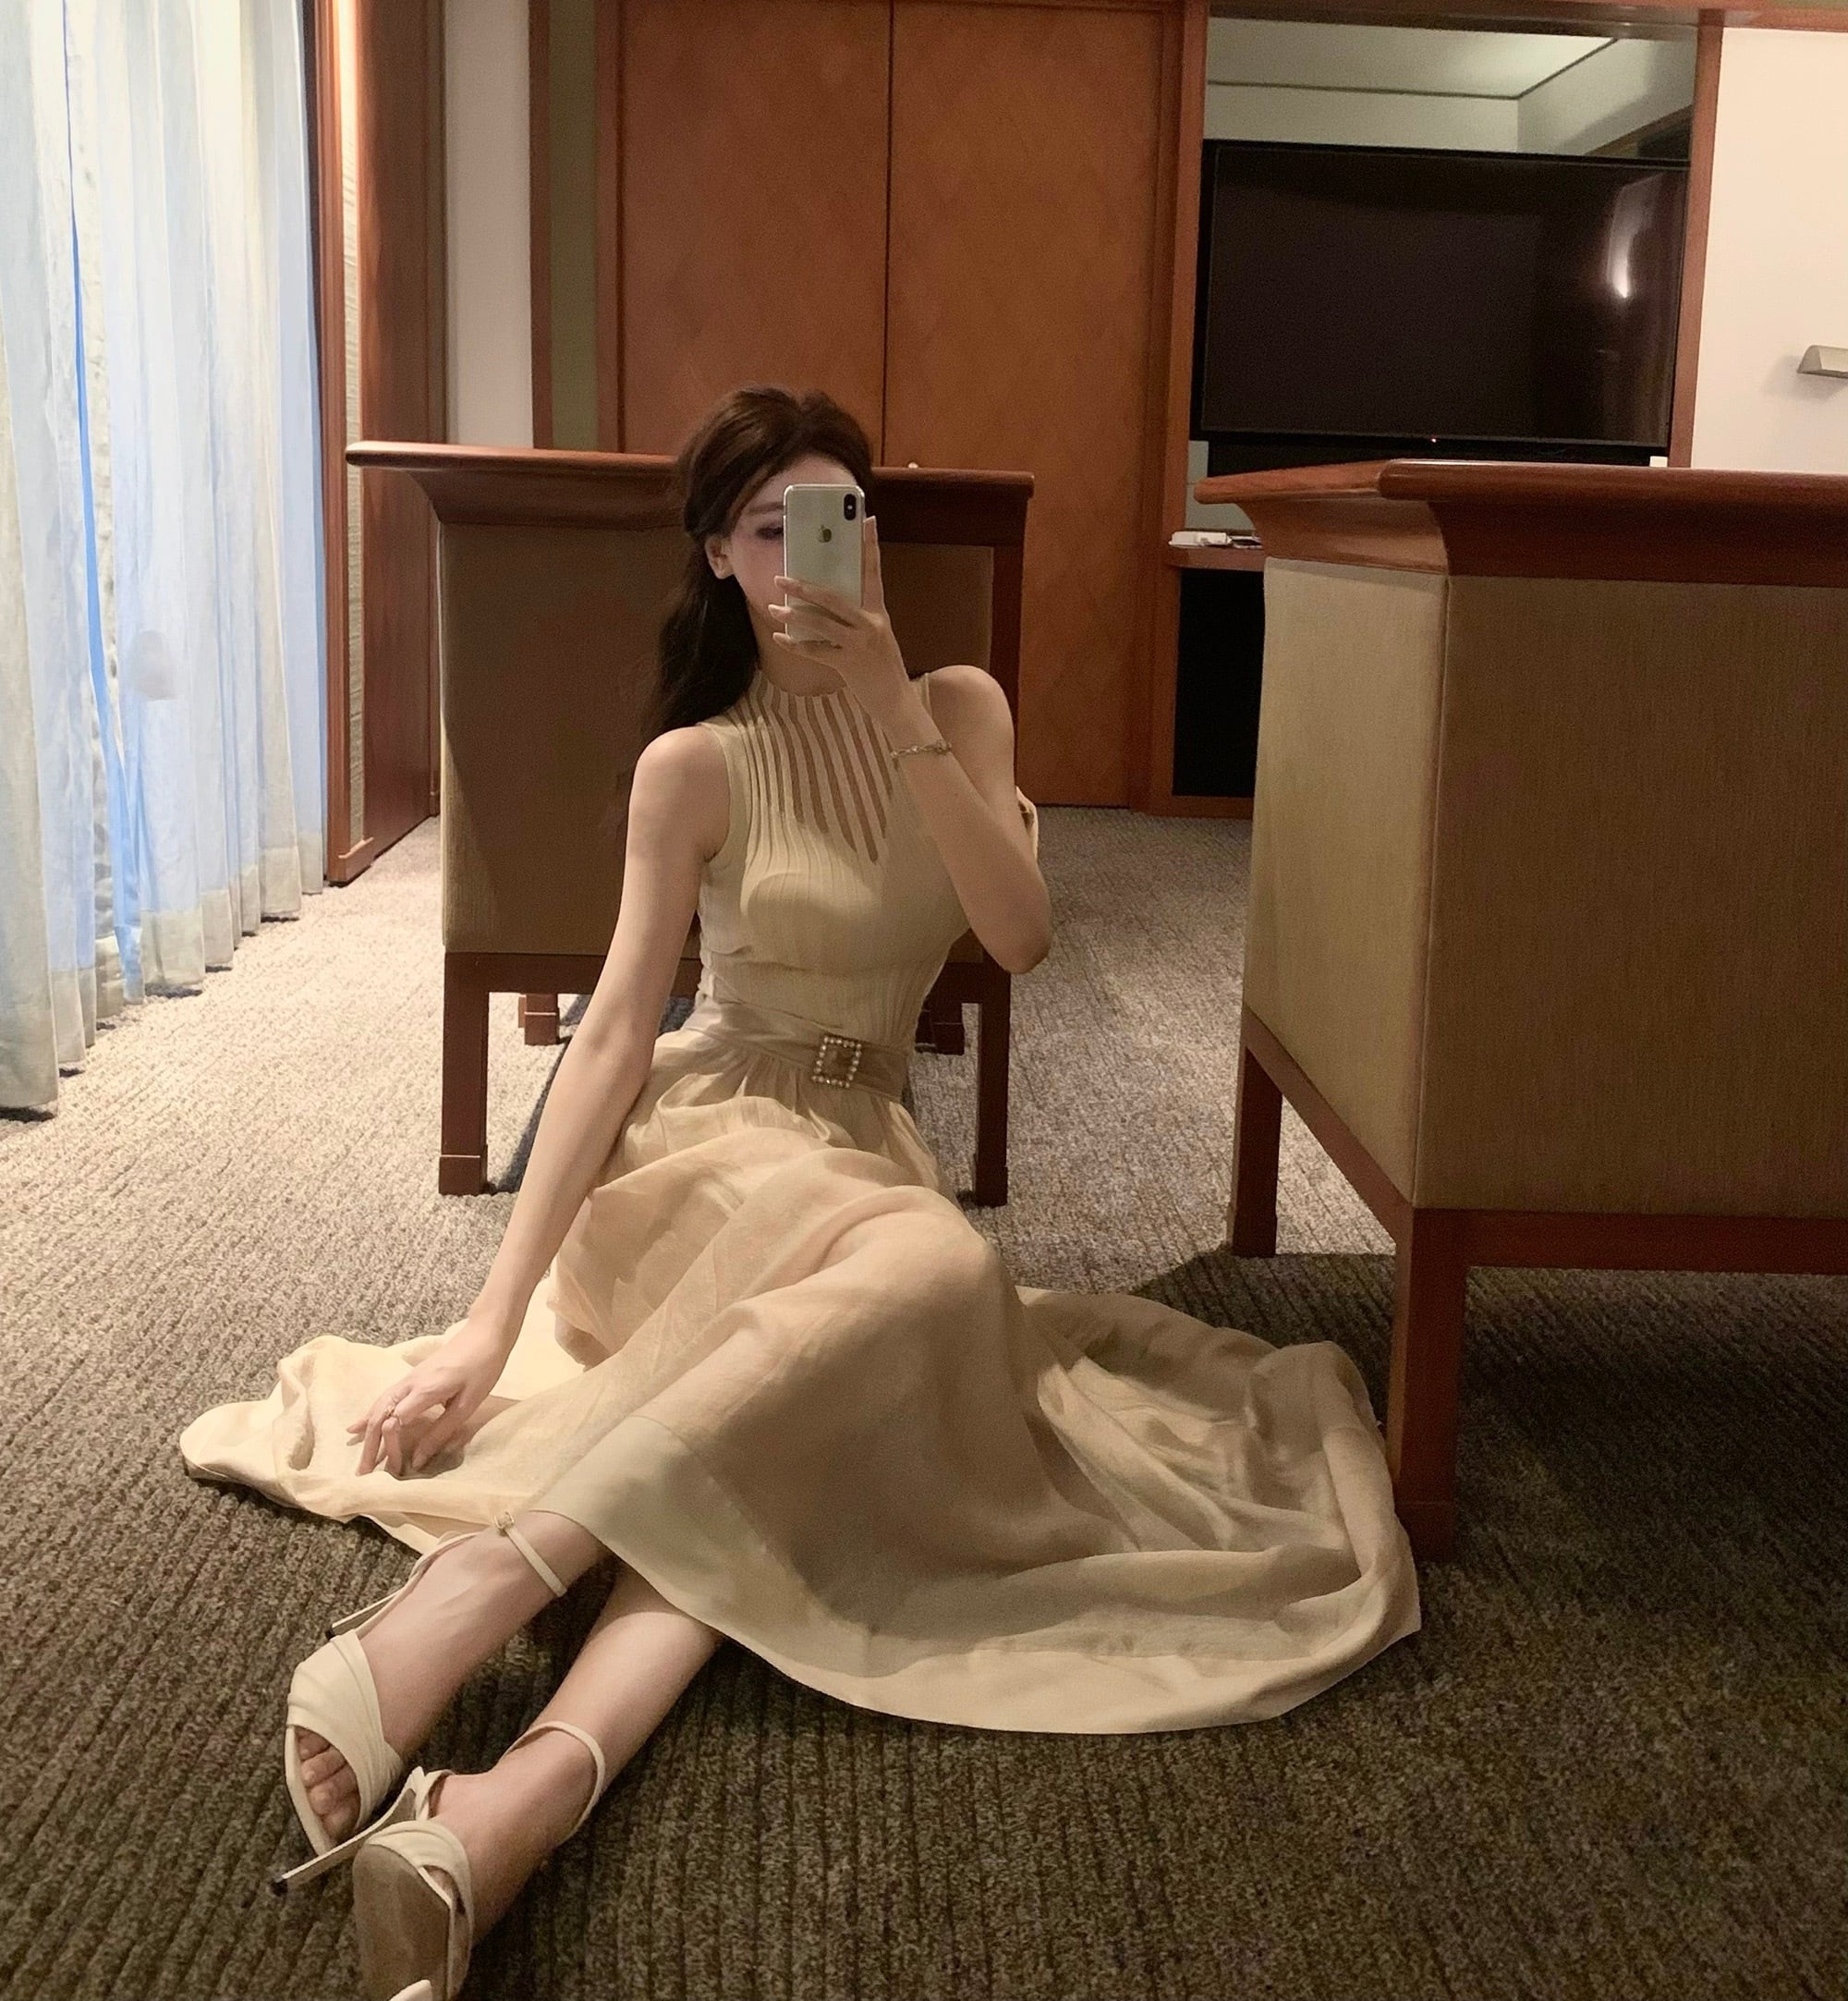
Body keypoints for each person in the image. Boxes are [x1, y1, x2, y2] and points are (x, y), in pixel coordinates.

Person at [180, 385, 1420, 2001]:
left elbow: (1021, 933)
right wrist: (492, 1317)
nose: (805, 558)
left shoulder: (957, 708)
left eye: (836, 522)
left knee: (833, 1380)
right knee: (920, 1295)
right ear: (717, 553)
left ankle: (507, 1803)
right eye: (770, 529)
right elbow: (616, 1034)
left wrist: (895, 697)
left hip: (863, 1157)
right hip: (703, 1150)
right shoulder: (691, 765)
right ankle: (487, 1603)